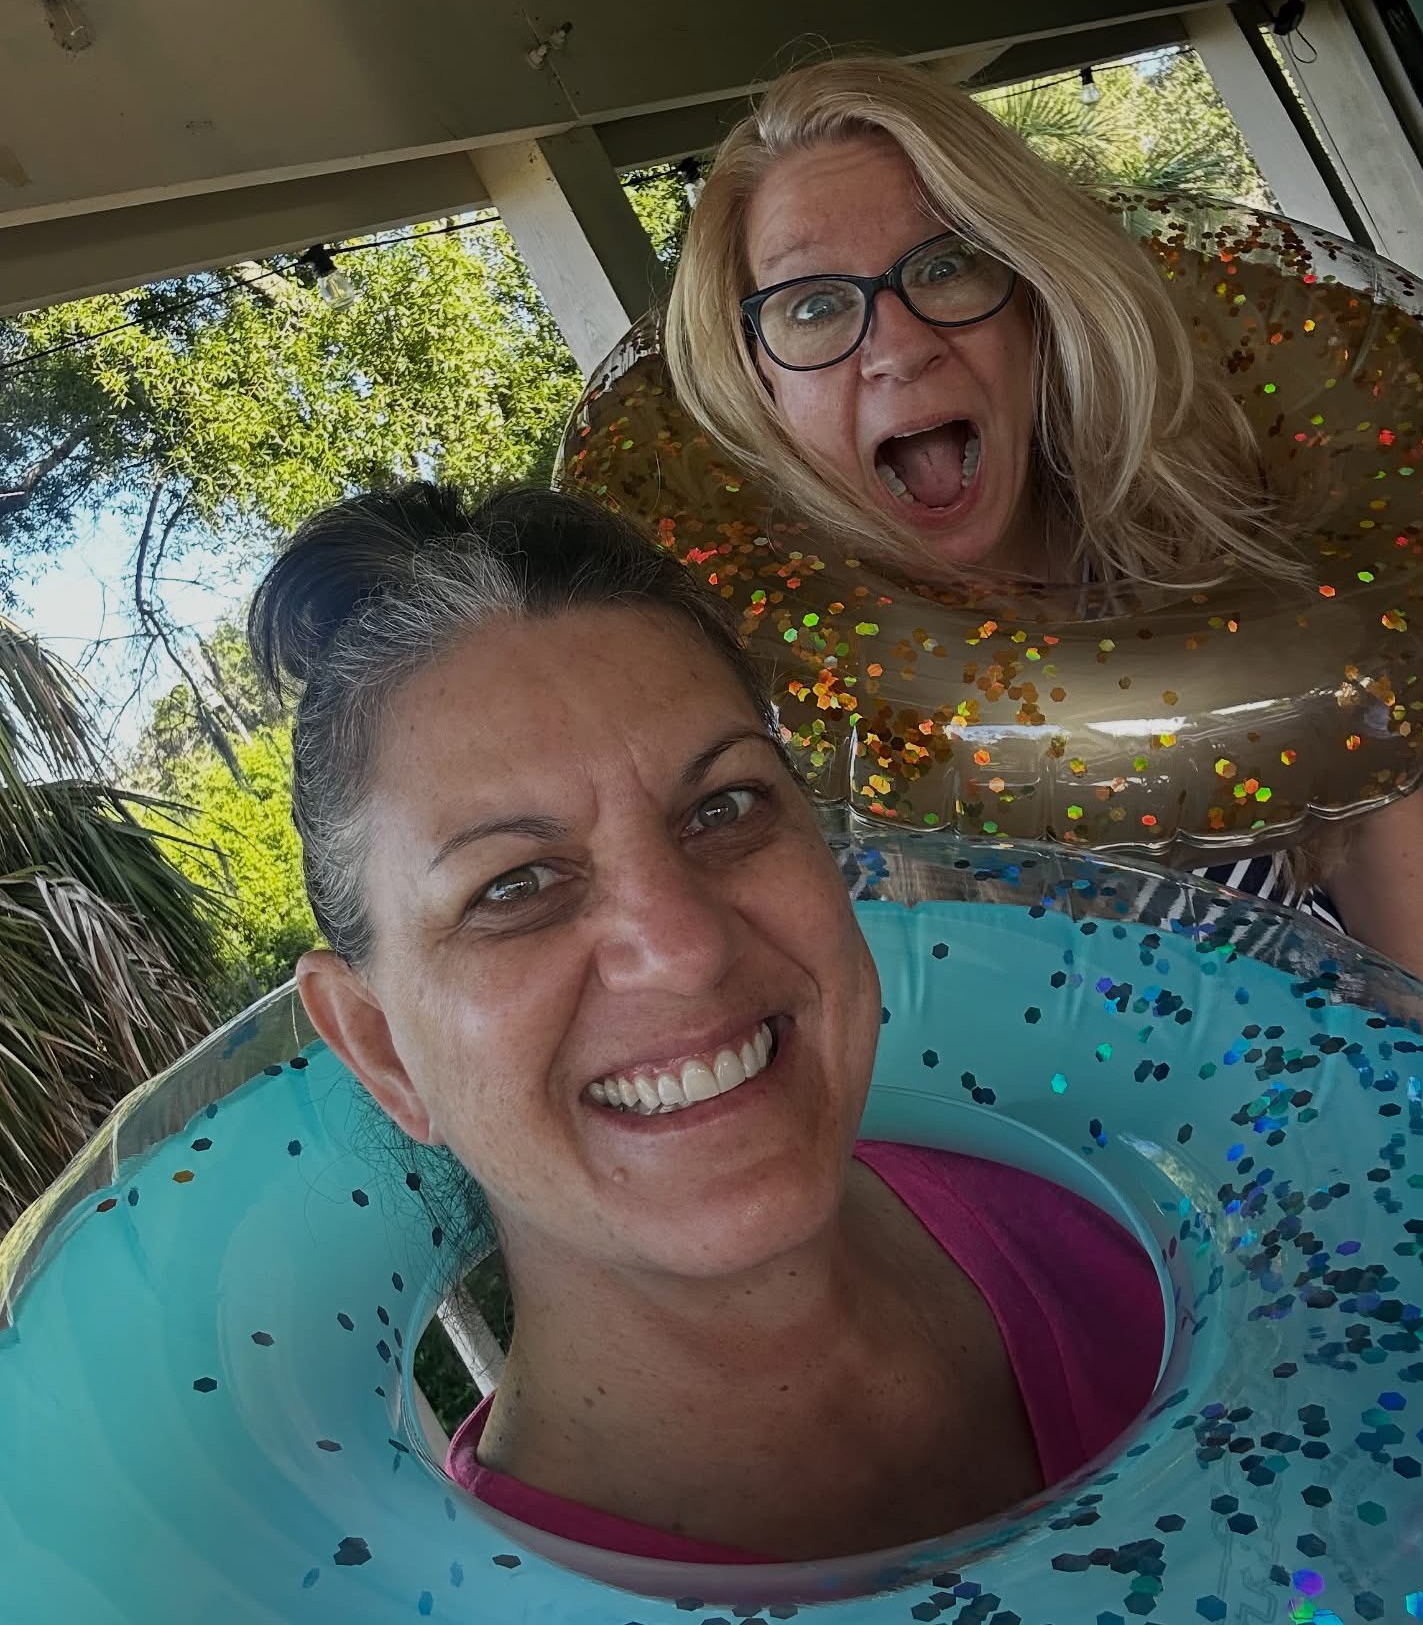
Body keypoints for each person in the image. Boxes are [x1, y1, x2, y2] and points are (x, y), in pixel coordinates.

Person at [248, 482, 1162, 1565]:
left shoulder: (1135, 1225)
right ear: (381, 1049)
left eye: (723, 808)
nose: (682, 947)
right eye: (515, 884)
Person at [664, 54, 1423, 986]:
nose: (899, 348)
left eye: (948, 264)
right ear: (761, 381)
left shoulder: (1221, 570)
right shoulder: (770, 722)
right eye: (814, 305)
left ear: (1032, 300)